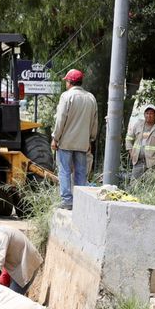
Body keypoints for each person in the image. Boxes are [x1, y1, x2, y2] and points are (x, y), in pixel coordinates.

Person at [51, 69, 97, 208]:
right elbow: (95, 122)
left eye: (66, 80)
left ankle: (67, 201)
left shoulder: (67, 96)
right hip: (83, 143)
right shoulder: (91, 98)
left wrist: (55, 137)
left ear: (70, 82)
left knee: (64, 170)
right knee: (81, 172)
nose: (66, 83)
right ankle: (81, 202)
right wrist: (91, 139)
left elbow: (61, 120)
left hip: (66, 142)